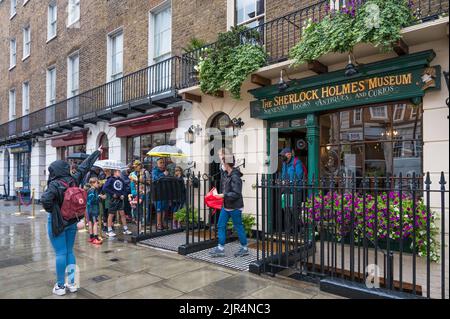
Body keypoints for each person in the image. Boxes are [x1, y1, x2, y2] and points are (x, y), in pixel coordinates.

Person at [41, 146, 102, 296]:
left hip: (58, 223)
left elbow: (46, 201)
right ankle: (72, 283)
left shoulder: (55, 184)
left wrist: (55, 211)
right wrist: (97, 152)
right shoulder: (74, 179)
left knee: (60, 253)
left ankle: (61, 286)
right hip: (72, 222)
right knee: (69, 252)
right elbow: (85, 166)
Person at [209, 155, 249, 258]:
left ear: (226, 164)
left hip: (235, 207)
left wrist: (223, 195)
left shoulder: (235, 177)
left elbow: (236, 193)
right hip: (226, 206)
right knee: (221, 225)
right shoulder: (227, 174)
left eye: (223, 162)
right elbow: (222, 174)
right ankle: (220, 248)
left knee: (238, 226)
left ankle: (244, 248)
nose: (221, 164)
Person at [102, 169, 132, 237]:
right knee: (111, 214)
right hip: (113, 199)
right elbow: (105, 188)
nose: (120, 173)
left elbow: (124, 189)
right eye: (118, 172)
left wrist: (123, 195)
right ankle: (109, 230)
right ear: (115, 172)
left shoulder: (121, 180)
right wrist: (113, 194)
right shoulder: (110, 179)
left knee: (122, 213)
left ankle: (125, 229)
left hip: (120, 199)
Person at [86, 177, 106, 245]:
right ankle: (95, 237)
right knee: (95, 223)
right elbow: (92, 200)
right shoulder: (93, 190)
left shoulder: (89, 190)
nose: (98, 184)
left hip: (89, 209)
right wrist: (100, 197)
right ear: (93, 183)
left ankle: (91, 237)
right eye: (97, 183)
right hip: (93, 209)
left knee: (90, 222)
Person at [152, 158, 169, 230]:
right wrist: (163, 174)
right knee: (159, 209)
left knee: (164, 209)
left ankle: (162, 222)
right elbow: (155, 179)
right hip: (157, 193)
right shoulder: (155, 171)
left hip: (165, 192)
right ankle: (158, 224)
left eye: (163, 162)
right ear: (157, 164)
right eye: (160, 162)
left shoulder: (166, 171)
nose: (162, 164)